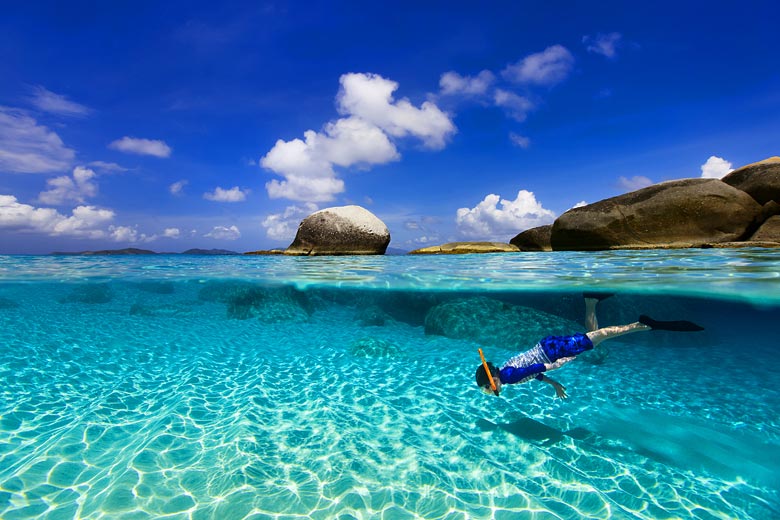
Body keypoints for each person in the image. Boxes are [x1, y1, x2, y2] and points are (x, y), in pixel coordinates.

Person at [475, 293, 704, 398]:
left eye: (486, 388)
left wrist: (558, 365)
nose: (488, 392)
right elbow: (529, 373)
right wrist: (554, 383)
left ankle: (642, 325)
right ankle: (591, 301)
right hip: (548, 347)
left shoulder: (509, 377)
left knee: (597, 337)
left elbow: (533, 369)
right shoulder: (506, 373)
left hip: (554, 352)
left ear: (491, 380)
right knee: (592, 338)